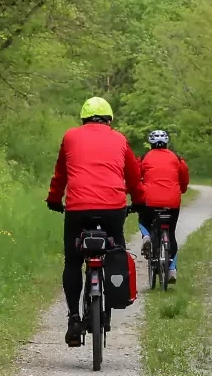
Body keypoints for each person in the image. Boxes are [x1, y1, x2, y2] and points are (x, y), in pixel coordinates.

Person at [46, 97, 145, 346]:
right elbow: (133, 175)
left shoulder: (70, 137)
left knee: (73, 261)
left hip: (78, 208)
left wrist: (54, 199)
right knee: (116, 253)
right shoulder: (119, 139)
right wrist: (140, 200)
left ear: (83, 119)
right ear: (109, 120)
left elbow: (61, 174)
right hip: (113, 207)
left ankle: (73, 318)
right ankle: (109, 306)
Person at [138, 130, 190, 284]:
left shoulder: (144, 158)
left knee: (143, 220)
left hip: (149, 200)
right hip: (172, 200)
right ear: (167, 143)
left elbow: (134, 176)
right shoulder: (176, 158)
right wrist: (182, 189)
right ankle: (172, 269)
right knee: (171, 232)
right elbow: (184, 177)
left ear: (151, 143)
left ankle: (146, 236)